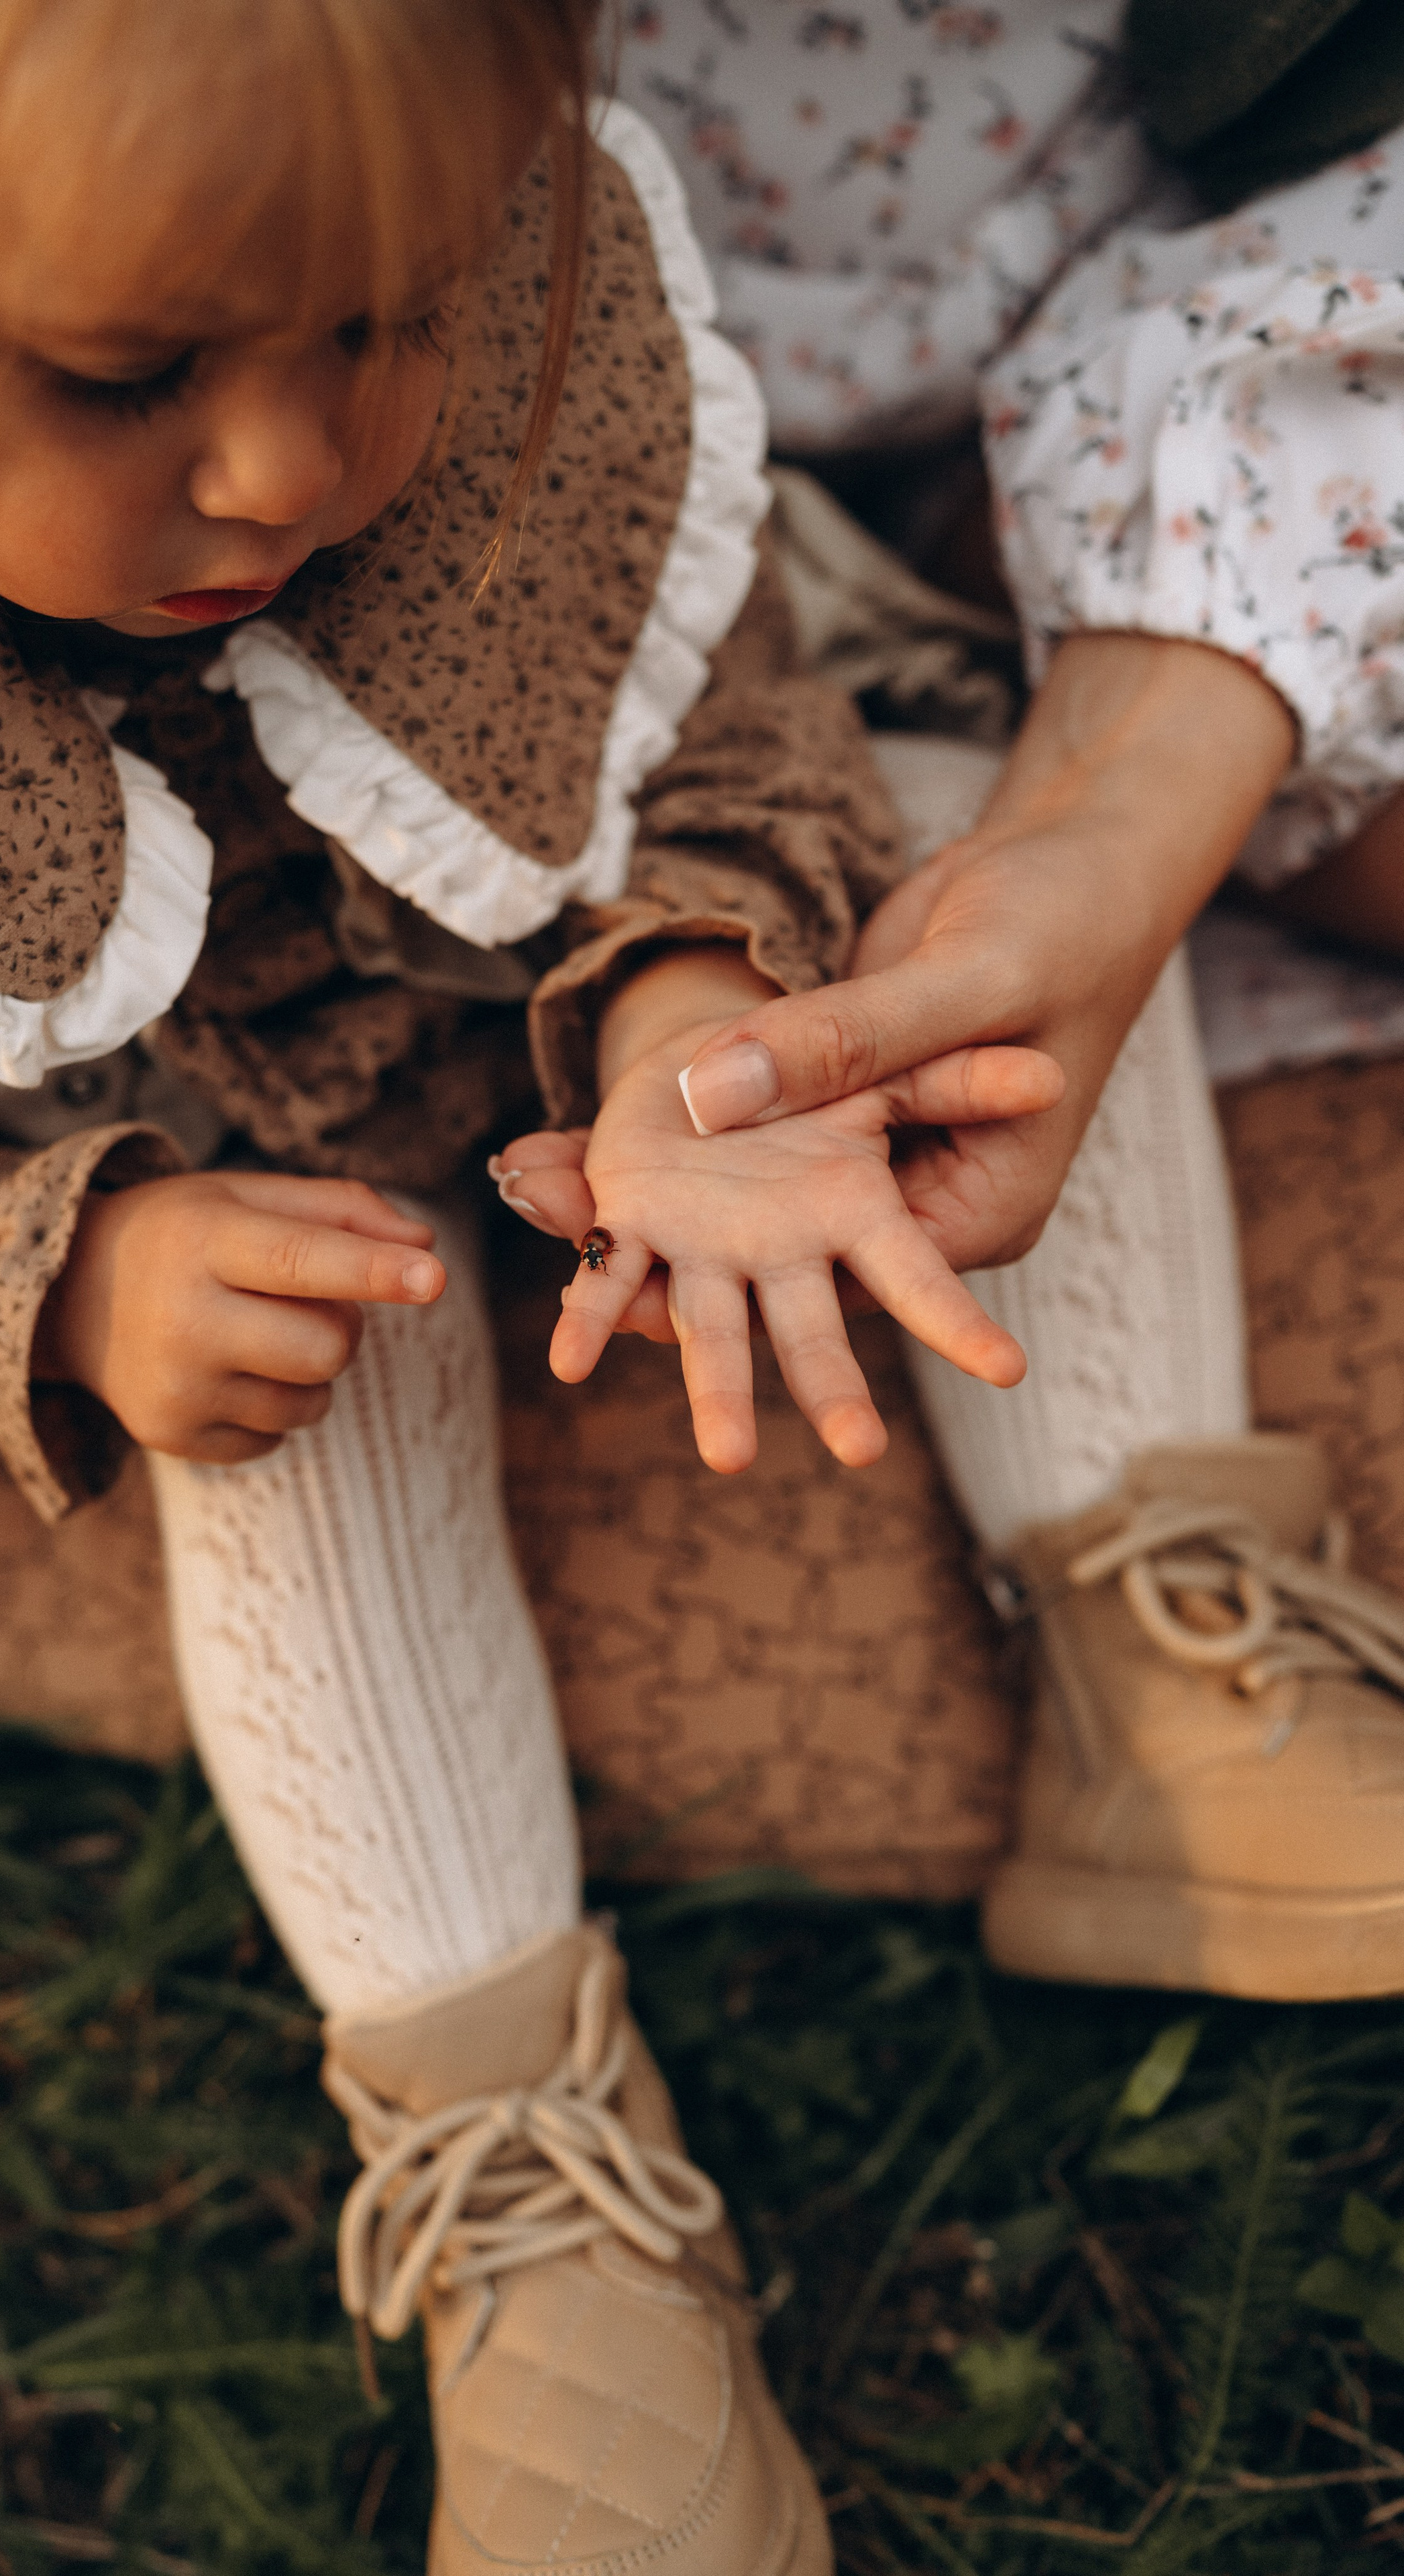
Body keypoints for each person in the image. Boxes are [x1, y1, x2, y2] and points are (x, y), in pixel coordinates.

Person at [0, 2, 1084, 2565]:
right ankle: (535, 2198)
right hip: (178, 1158)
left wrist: (701, 1006)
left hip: (565, 1043)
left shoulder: (531, 378)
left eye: (390, 319)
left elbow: (727, 717)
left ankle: (1163, 1629)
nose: (295, 468)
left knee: (1007, 909)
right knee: (287, 1399)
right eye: (129, 376)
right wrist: (72, 1272)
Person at [496, 0, 1404, 2002]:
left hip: (1142, 366)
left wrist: (1126, 794)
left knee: (966, 913)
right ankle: (1145, 1657)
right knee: (895, 859)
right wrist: (683, 996)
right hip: (525, 496)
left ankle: (1165, 1658)